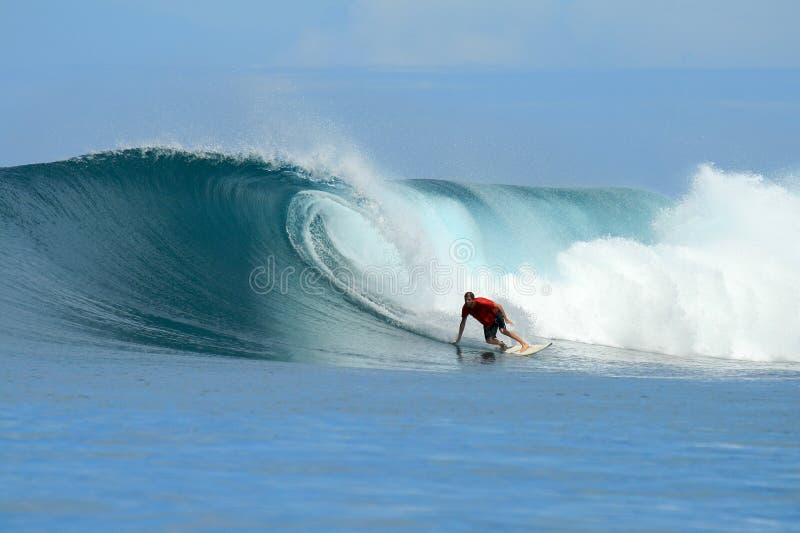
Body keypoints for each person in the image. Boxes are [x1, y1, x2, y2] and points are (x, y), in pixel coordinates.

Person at [451, 291, 530, 351]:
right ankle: (502, 344)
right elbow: (463, 323)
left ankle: (524, 344)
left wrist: (505, 318)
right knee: (489, 340)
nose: (467, 301)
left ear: (473, 299)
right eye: (466, 300)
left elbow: (498, 305)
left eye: (469, 300)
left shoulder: (481, 302)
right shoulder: (465, 308)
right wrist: (458, 339)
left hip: (495, 314)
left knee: (503, 331)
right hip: (487, 322)